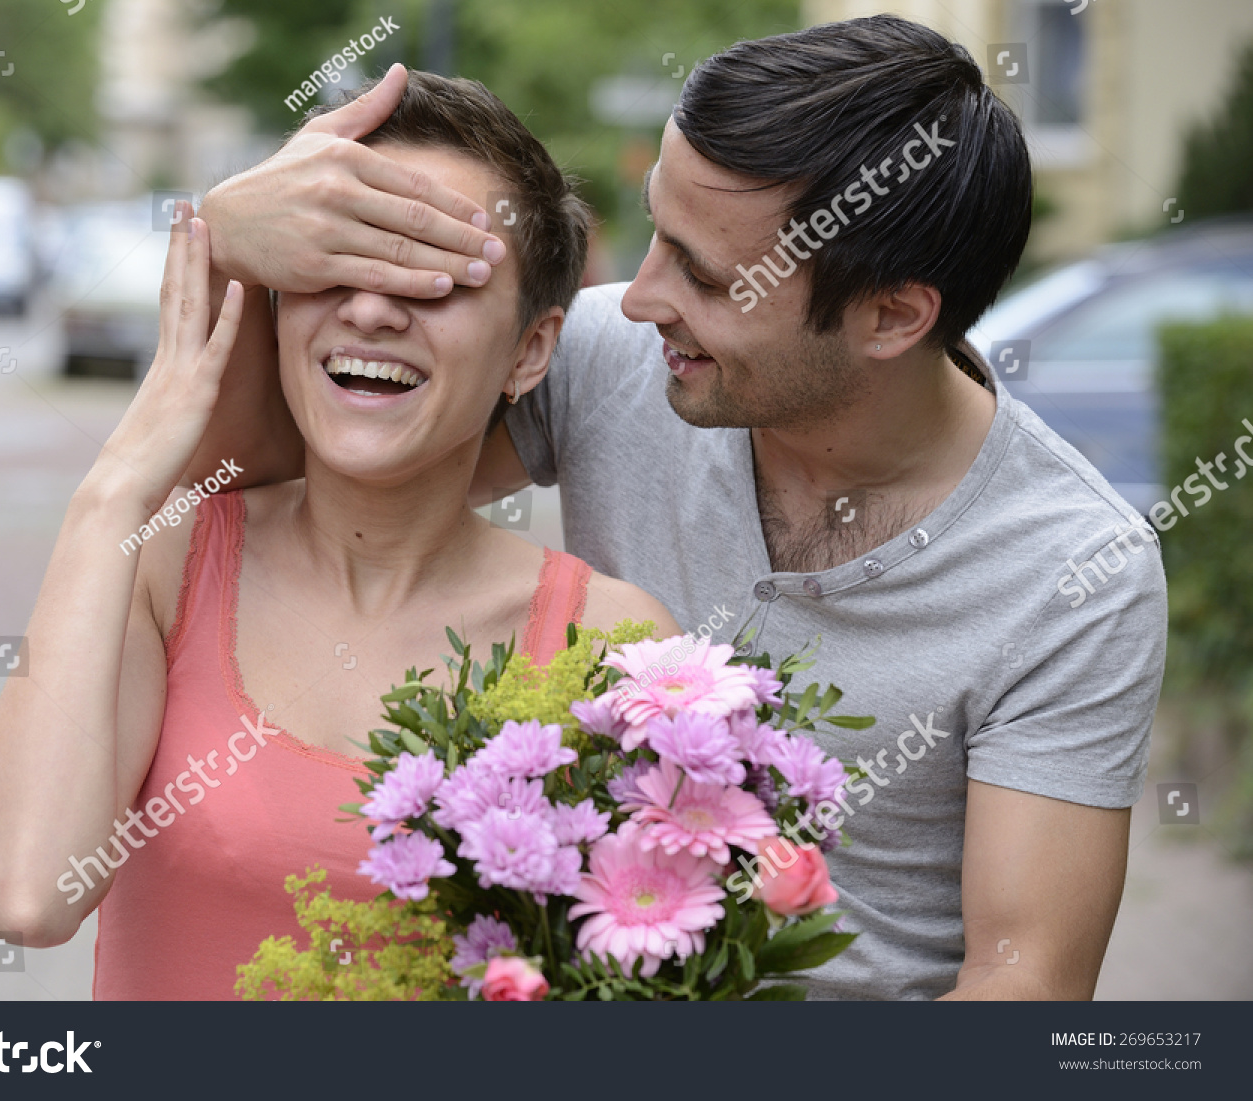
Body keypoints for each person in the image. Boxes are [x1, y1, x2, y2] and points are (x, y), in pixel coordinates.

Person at [196, 17, 1168, 1000]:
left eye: (704, 274)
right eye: (656, 230)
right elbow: (266, 473)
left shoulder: (1074, 575)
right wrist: (222, 240)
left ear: (892, 316)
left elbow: (1024, 979)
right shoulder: (615, 364)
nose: (639, 296)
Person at [0, 72, 676, 1000]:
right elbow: (26, 894)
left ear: (530, 351)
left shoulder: (613, 648)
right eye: (334, 264)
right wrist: (117, 485)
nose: (373, 309)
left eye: (438, 275)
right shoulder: (168, 567)